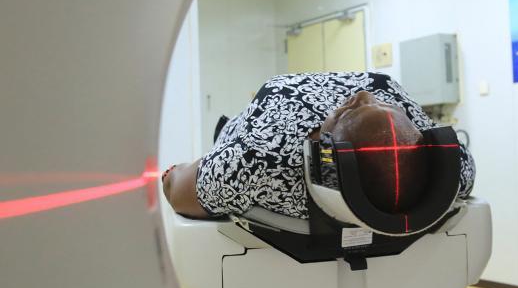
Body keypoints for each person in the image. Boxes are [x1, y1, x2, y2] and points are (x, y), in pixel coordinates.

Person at [163, 71, 475, 219]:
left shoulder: (258, 160)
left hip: (248, 126)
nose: (363, 95)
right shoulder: (455, 171)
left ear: (324, 156)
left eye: (350, 111)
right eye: (385, 107)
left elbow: (176, 187)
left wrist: (176, 171)